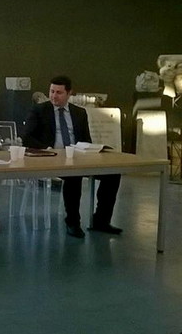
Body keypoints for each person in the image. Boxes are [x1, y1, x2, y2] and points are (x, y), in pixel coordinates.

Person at [21, 75, 123, 238]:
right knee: (74, 175)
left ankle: (101, 221)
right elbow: (27, 137)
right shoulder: (39, 110)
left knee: (112, 174)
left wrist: (88, 149)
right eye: (52, 91)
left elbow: (86, 139)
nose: (54, 96)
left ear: (69, 93)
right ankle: (73, 222)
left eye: (59, 92)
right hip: (51, 157)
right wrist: (46, 148)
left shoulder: (79, 113)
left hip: (77, 156)